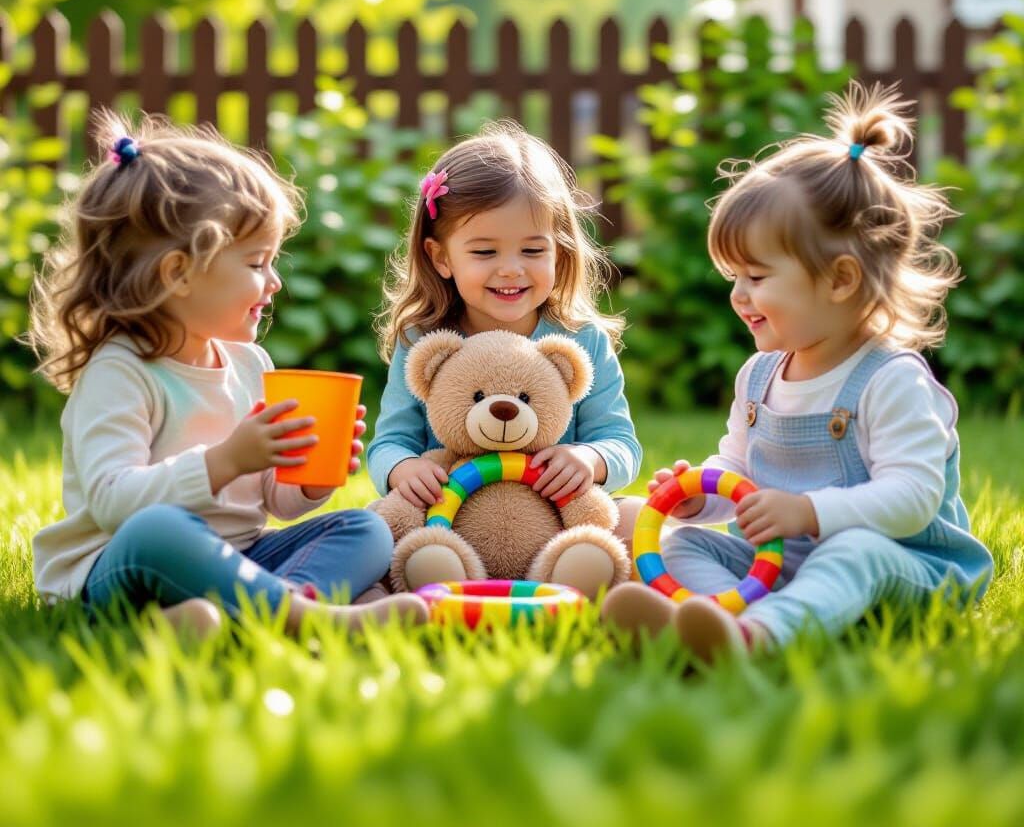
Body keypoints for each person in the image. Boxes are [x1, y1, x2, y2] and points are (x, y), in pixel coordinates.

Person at [602, 84, 993, 661]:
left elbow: (912, 497)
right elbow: (737, 470)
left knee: (854, 551)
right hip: (785, 564)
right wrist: (699, 498)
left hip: (904, 565)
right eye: (733, 276)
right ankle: (708, 624)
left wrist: (808, 512)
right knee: (683, 542)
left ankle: (760, 637)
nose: (738, 295)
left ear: (840, 279)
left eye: (757, 277)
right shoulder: (760, 376)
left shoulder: (890, 379)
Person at [30, 112, 427, 637]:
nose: (275, 282)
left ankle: (240, 616)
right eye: (257, 262)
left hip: (239, 556)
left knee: (366, 528)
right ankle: (305, 615)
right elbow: (111, 504)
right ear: (179, 274)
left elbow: (270, 504)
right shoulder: (120, 372)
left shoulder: (248, 365)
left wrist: (307, 480)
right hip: (120, 567)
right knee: (158, 530)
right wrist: (224, 460)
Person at [367, 121, 641, 524]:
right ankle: (416, 577)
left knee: (634, 515)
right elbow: (389, 442)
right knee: (372, 526)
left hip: (553, 525)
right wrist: (402, 469)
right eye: (484, 252)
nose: (511, 270)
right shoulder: (423, 340)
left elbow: (622, 444)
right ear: (441, 257)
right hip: (451, 523)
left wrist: (590, 458)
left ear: (559, 254)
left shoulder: (581, 340)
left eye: (532, 250)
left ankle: (585, 572)